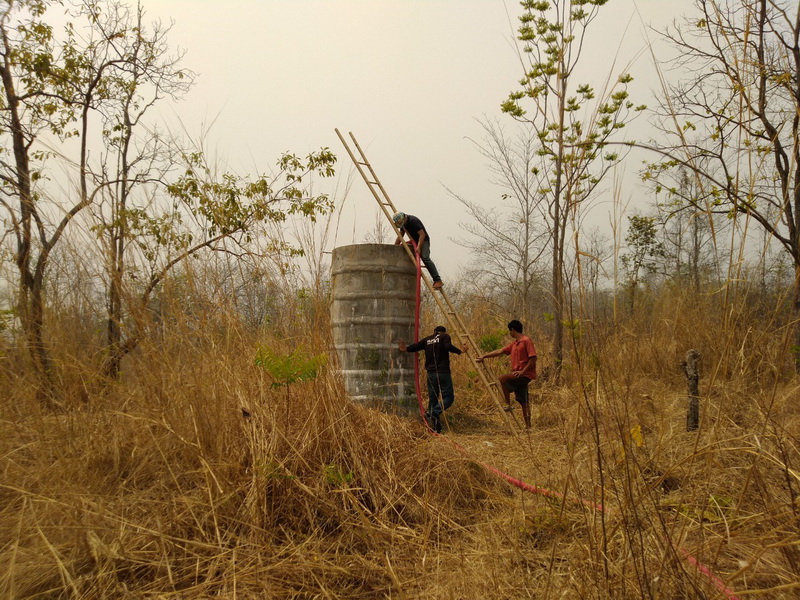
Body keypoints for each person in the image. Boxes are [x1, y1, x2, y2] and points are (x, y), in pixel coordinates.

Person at [399, 325, 464, 433]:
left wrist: (405, 348)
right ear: (443, 332)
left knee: (433, 399)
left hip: (431, 374)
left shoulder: (427, 339)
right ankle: (433, 412)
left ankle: (435, 428)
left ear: (434, 331)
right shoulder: (445, 336)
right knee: (449, 397)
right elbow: (447, 346)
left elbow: (416, 346)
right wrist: (460, 351)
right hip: (443, 373)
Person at [476, 319, 537, 429]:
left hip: (524, 374)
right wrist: (484, 356)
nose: (510, 333)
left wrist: (522, 371)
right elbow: (500, 351)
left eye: (510, 331)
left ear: (513, 330)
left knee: (502, 379)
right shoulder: (514, 344)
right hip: (518, 375)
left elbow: (533, 358)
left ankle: (507, 404)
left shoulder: (526, 341)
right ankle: (528, 427)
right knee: (524, 401)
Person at [392, 211, 444, 290]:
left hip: (423, 240)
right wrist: (394, 247)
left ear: (404, 218)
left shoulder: (413, 221)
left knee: (425, 257)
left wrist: (419, 247)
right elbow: (400, 236)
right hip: (415, 242)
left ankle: (438, 280)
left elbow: (422, 234)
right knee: (406, 249)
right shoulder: (404, 224)